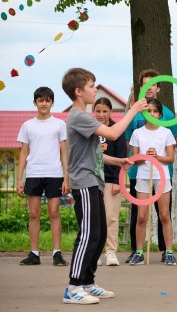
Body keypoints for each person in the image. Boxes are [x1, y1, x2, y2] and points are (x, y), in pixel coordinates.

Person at [61, 67, 147, 304]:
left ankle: (87, 282)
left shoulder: (84, 118)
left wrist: (118, 161)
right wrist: (133, 110)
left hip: (94, 182)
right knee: (88, 234)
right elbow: (112, 133)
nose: (94, 89)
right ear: (79, 91)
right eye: (91, 86)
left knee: (98, 236)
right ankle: (73, 287)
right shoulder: (79, 116)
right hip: (85, 183)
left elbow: (95, 151)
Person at [124, 69, 177, 264]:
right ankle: (138, 251)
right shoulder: (137, 127)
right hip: (141, 175)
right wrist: (141, 157)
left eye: (155, 112)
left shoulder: (167, 128)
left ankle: (169, 251)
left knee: (164, 214)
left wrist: (158, 157)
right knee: (141, 215)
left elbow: (172, 155)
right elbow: (132, 154)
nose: (152, 114)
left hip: (162, 174)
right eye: (149, 111)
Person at [16, 86, 70, 267]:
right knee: (34, 214)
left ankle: (57, 253)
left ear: (52, 103)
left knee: (54, 212)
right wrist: (19, 179)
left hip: (54, 173)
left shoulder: (59, 124)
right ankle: (34, 253)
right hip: (33, 174)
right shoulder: (27, 125)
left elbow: (64, 152)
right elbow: (23, 153)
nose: (44, 103)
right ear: (35, 103)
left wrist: (66, 176)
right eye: (41, 100)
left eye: (47, 100)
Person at [93, 97, 127, 266]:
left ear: (110, 112)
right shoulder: (91, 129)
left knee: (111, 217)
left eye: (104, 111)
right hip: (92, 180)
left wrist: (116, 181)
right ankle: (95, 252)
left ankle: (111, 252)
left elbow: (121, 156)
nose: (101, 114)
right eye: (98, 111)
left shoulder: (116, 130)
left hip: (111, 181)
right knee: (94, 218)